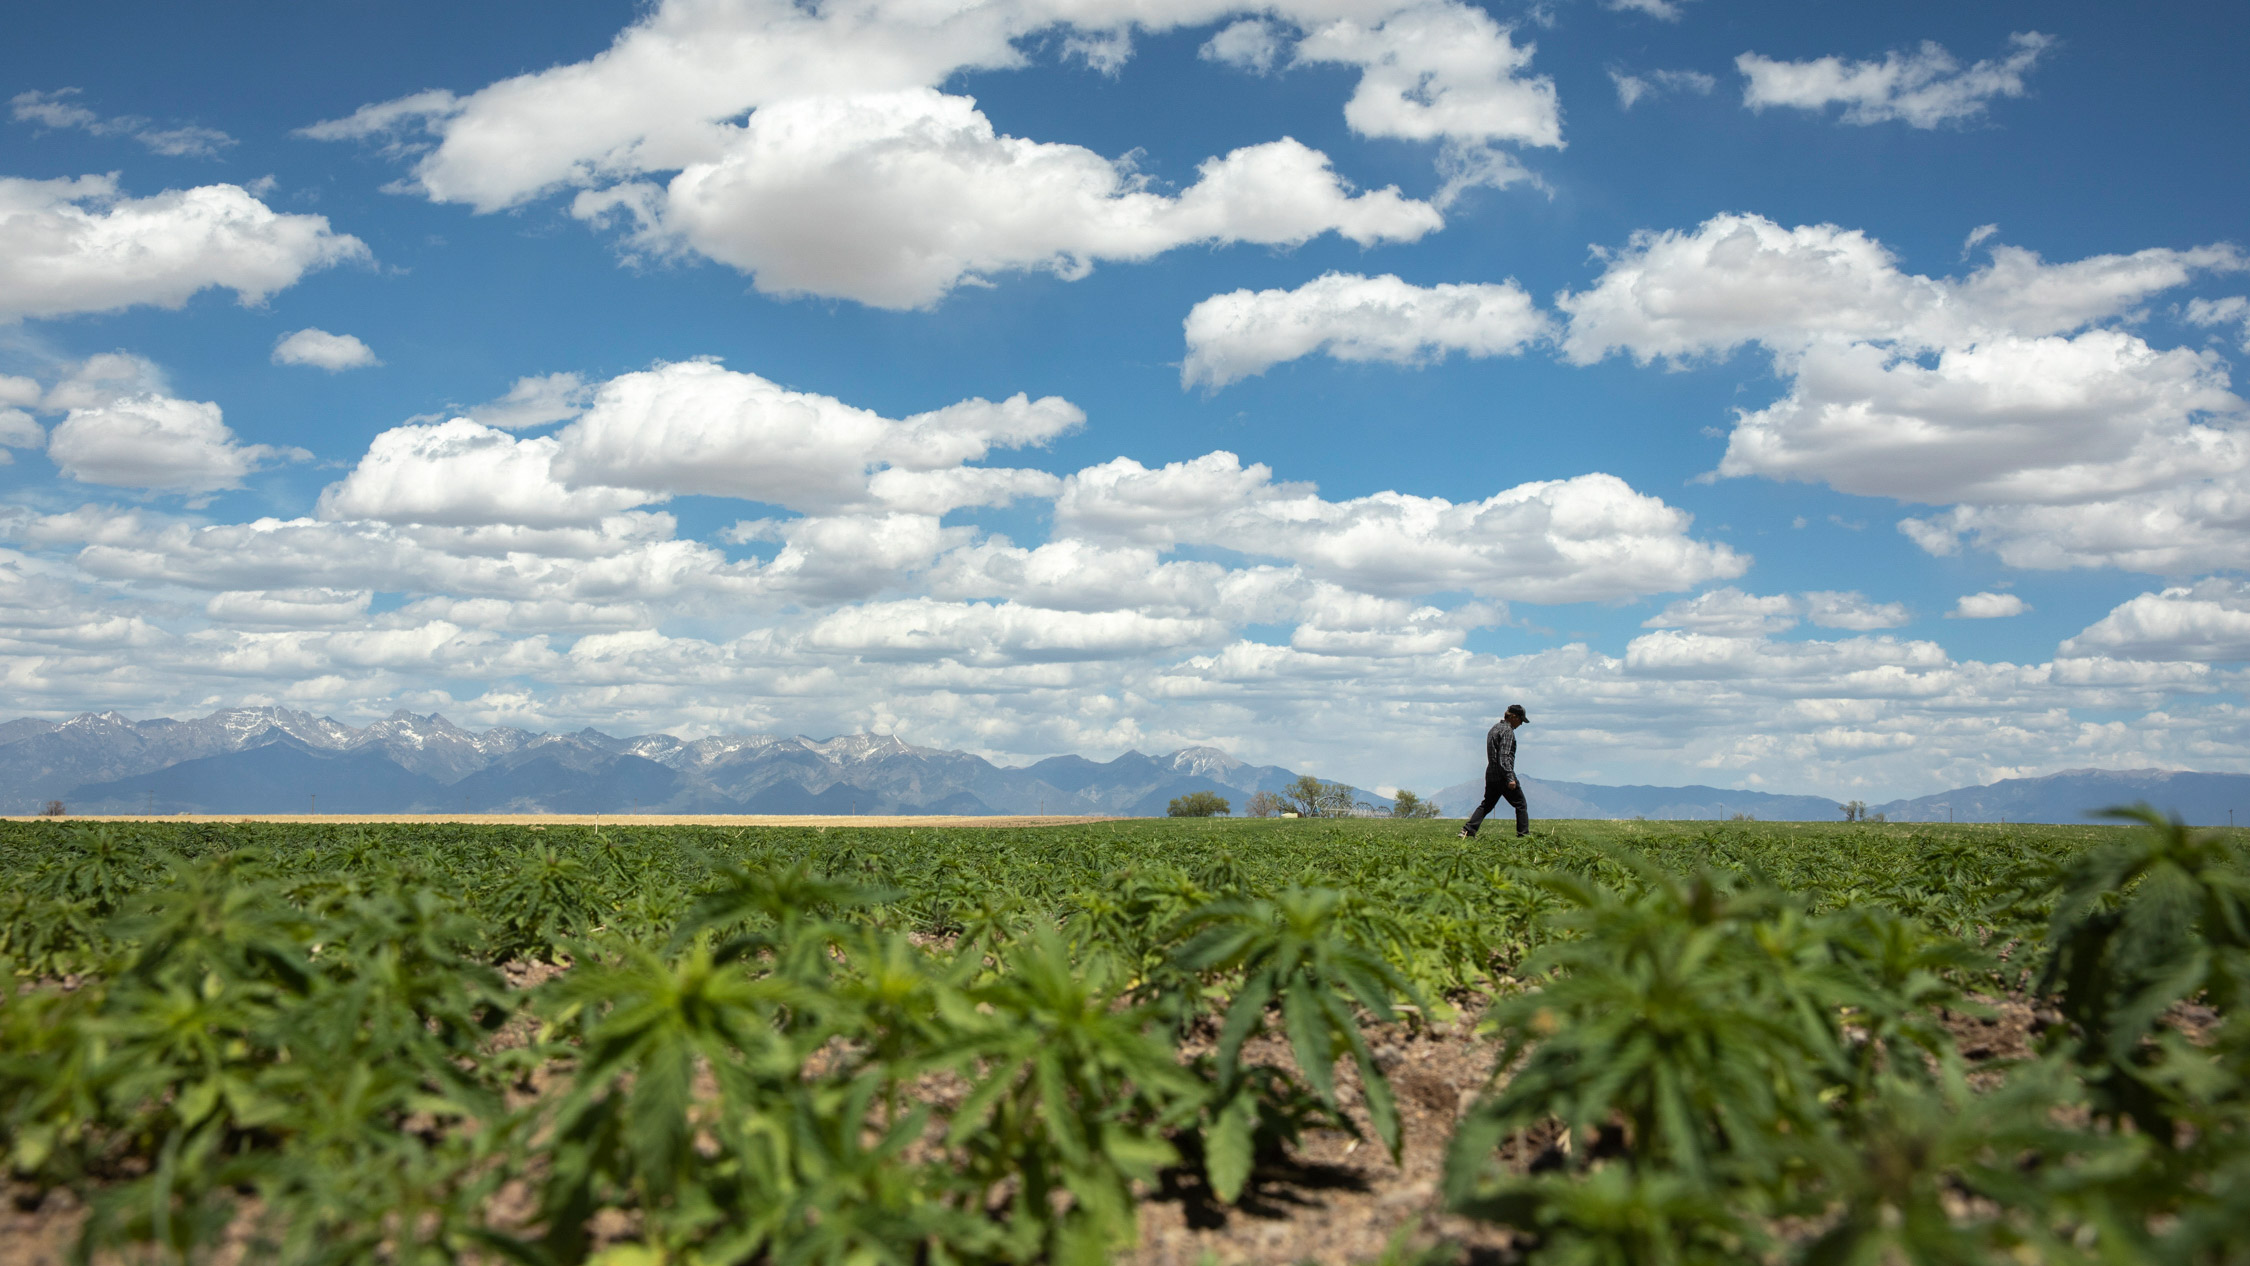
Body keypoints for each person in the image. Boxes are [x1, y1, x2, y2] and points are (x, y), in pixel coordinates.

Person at [1460, 703, 1530, 839]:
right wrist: (1510, 777)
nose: (1521, 723)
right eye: (1521, 719)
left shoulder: (1494, 728)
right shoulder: (1508, 731)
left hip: (1491, 774)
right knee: (1521, 805)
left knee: (1487, 804)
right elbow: (1503, 756)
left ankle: (1467, 831)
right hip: (1503, 774)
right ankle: (1524, 836)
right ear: (1514, 717)